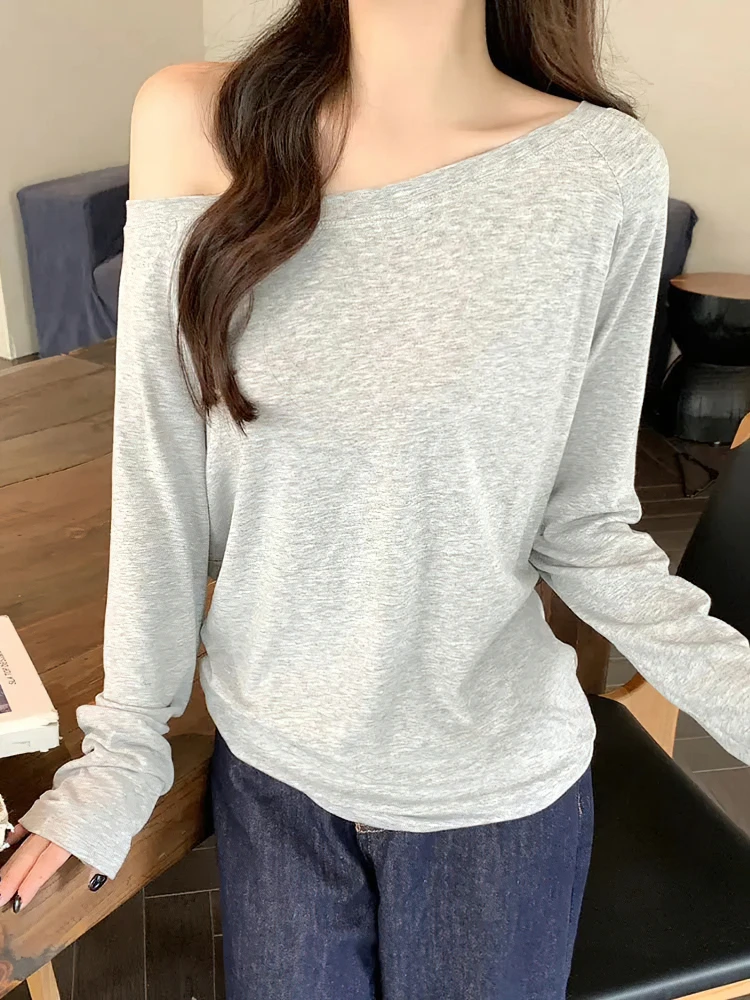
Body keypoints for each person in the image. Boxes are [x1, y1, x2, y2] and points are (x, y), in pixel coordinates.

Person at [2, 1, 749, 996]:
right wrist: (124, 753)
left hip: (493, 797)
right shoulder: (193, 120)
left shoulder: (603, 171)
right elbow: (159, 485)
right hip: (273, 782)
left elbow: (583, 525)